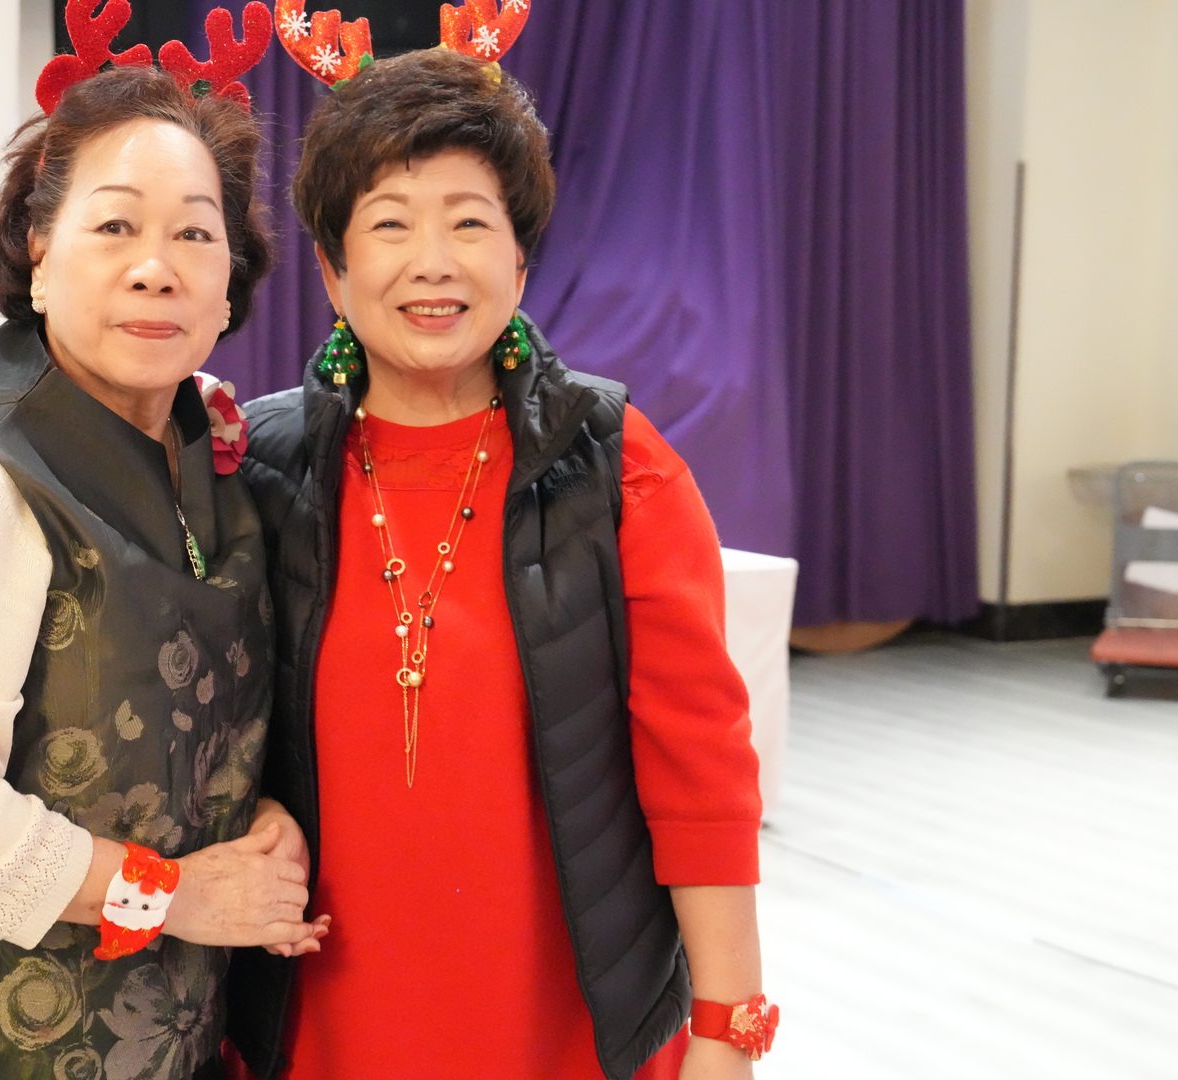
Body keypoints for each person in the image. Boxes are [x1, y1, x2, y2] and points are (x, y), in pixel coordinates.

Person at [226, 28, 773, 1080]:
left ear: (519, 263)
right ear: (334, 272)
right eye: (390, 223)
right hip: (320, 1023)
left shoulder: (617, 465)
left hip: (567, 1026)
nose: (433, 261)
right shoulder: (257, 467)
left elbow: (700, 773)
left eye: (470, 222)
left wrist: (727, 1025)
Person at [0, 46, 326, 1080]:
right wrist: (176, 895)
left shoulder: (202, 441)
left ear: (230, 286)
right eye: (115, 227)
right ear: (39, 254)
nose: (157, 266)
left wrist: (252, 812)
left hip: (158, 1028)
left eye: (196, 232)